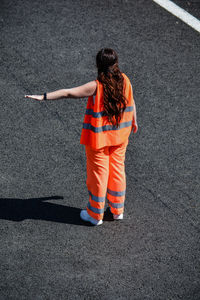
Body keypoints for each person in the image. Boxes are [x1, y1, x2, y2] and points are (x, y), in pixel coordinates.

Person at [25, 48, 138, 226]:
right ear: (116, 63)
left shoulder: (97, 86)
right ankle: (117, 210)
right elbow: (131, 102)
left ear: (98, 65)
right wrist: (134, 122)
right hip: (121, 137)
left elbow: (68, 93)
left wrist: (43, 97)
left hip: (99, 140)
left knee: (98, 175)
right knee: (117, 171)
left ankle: (95, 215)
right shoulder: (125, 80)